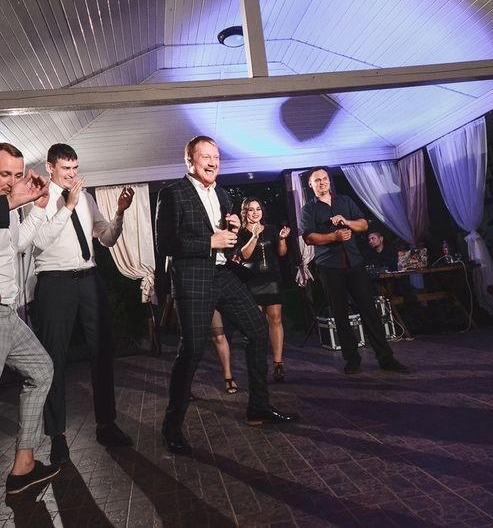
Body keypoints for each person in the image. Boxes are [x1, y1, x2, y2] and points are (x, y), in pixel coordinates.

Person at [155, 135, 299, 455]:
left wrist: (233, 229)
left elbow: (227, 240)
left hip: (223, 275)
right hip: (193, 279)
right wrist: (210, 241)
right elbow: (165, 244)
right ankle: (171, 427)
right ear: (189, 160)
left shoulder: (222, 194)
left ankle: (258, 407)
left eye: (216, 157)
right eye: (205, 156)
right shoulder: (172, 193)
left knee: (258, 329)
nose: (213, 162)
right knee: (192, 350)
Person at [27, 143, 135, 465]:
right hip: (54, 282)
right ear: (50, 168)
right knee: (54, 357)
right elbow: (38, 242)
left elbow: (107, 237)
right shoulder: (39, 199)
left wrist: (119, 212)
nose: (72, 174)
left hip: (89, 279)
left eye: (75, 168)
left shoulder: (87, 198)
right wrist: (67, 207)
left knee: (102, 350)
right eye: (66, 169)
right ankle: (57, 436)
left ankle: (107, 424)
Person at [0, 143, 60, 495]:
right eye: (4, 174)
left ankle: (24, 466)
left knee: (42, 371)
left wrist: (38, 207)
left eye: (17, 175)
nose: (11, 182)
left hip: (10, 314)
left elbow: (17, 246)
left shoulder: (11, 207)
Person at [300, 167, 410, 376]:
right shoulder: (308, 209)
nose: (322, 182)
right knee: (340, 314)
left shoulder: (345, 201)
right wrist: (333, 237)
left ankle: (385, 357)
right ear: (310, 184)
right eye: (317, 180)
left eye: (324, 178)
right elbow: (309, 237)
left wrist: (346, 222)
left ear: (329, 181)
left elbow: (363, 224)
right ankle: (352, 359)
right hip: (329, 266)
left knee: (369, 310)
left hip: (354, 263)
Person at [234, 198, 291, 382]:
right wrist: (254, 236)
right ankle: (258, 364)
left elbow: (282, 253)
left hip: (272, 278)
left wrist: (282, 239)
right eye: (251, 210)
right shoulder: (240, 232)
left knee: (275, 318)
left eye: (258, 209)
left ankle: (278, 363)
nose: (255, 212)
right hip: (252, 281)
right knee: (257, 325)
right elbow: (243, 255)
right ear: (245, 212)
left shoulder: (272, 229)